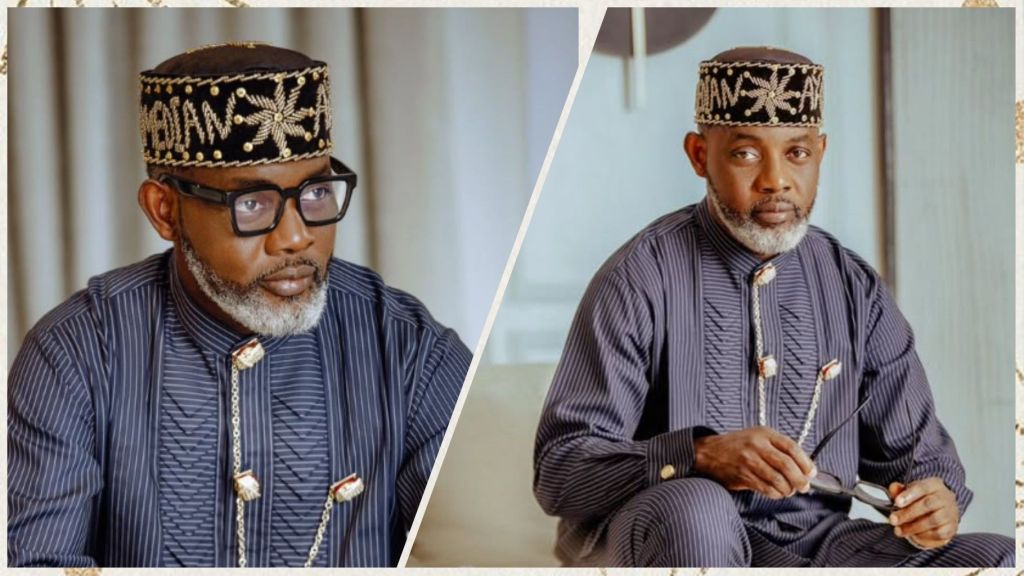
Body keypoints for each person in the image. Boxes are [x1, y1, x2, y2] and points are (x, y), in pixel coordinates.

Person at [533, 46, 1013, 567]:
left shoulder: (852, 285)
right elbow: (560, 471)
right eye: (745, 153)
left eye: (797, 153)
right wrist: (698, 455)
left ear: (821, 153)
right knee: (699, 510)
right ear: (699, 155)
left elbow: (920, 457)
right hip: (657, 528)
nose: (776, 180)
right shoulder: (640, 276)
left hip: (815, 543)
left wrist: (934, 500)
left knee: (997, 556)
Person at [8, 42, 471, 568]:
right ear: (165, 210)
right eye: (253, 204)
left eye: (317, 193)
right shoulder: (79, 349)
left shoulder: (407, 347)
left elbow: (464, 547)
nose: (296, 238)